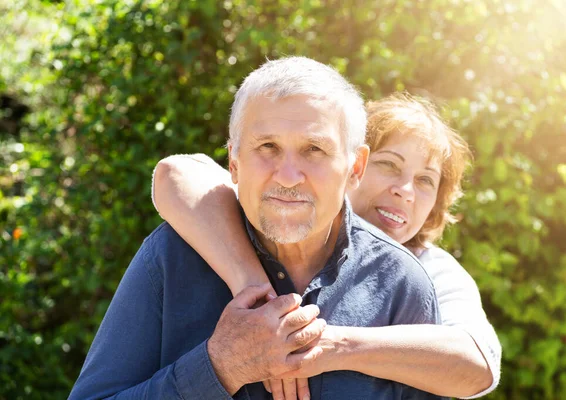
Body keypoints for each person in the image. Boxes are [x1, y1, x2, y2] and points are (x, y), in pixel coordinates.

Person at [69, 57, 443, 400]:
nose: (288, 176)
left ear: (355, 168)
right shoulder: (170, 257)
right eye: (267, 146)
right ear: (233, 161)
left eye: (314, 149)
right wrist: (221, 366)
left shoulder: (401, 284)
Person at [151, 93, 502, 399]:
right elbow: (179, 173)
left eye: (425, 180)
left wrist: (321, 345)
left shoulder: (432, 269)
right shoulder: (281, 224)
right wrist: (254, 289)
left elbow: (476, 365)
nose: (405, 190)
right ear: (351, 167)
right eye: (389, 165)